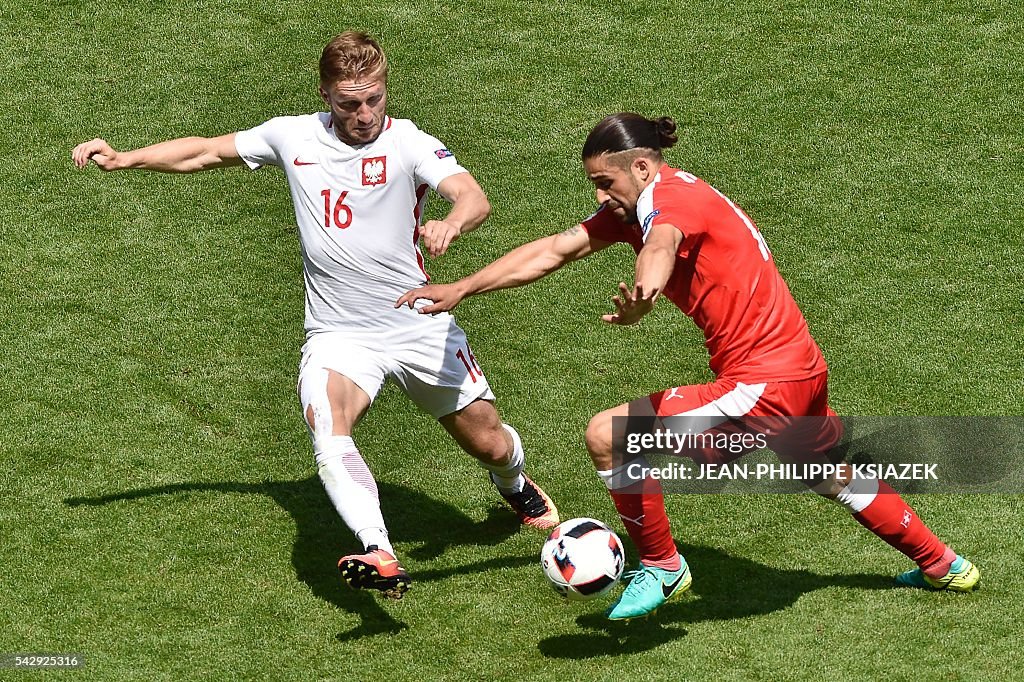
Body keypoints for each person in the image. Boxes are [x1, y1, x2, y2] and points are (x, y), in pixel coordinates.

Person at [397, 112, 980, 619]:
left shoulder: (670, 204)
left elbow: (661, 247)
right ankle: (945, 565)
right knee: (826, 472)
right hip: (800, 368)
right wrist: (464, 287)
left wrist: (647, 295)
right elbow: (557, 248)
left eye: (606, 182)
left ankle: (661, 565)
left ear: (642, 168)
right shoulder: (644, 204)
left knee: (610, 437)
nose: (600, 195)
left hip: (763, 384)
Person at [71, 31, 559, 601]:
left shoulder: (409, 143)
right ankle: (380, 550)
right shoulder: (292, 135)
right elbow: (206, 150)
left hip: (417, 322)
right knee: (328, 429)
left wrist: (452, 222)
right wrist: (126, 157)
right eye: (349, 103)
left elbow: (472, 196)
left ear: (385, 89)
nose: (364, 114)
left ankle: (515, 483)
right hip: (338, 333)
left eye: (374, 98)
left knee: (489, 444)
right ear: (326, 94)